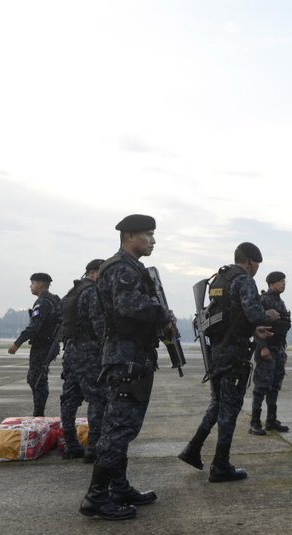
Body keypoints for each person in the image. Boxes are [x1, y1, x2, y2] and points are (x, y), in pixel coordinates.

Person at [79, 214, 175, 521]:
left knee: (122, 428)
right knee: (119, 429)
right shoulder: (121, 268)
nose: (153, 240)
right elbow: (128, 305)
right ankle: (95, 497)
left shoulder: (129, 267)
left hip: (131, 355)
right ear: (130, 236)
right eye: (148, 234)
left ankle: (118, 488)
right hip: (127, 357)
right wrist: (162, 313)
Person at [178, 243, 278, 482]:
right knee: (229, 408)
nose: (255, 271)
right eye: (256, 266)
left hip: (218, 350)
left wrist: (254, 330)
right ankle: (220, 464)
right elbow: (253, 313)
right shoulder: (243, 280)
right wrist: (268, 317)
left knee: (218, 402)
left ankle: (193, 448)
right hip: (233, 352)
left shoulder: (219, 279)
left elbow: (231, 316)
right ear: (250, 262)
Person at [59, 259, 108, 463]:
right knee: (98, 397)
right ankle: (94, 448)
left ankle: (71, 444)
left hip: (71, 349)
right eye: (102, 274)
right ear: (93, 272)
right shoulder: (91, 292)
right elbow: (99, 325)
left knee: (70, 397)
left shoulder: (72, 293)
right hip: (88, 351)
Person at [9, 273, 61, 417]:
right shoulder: (54, 300)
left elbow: (34, 327)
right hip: (50, 344)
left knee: (37, 379)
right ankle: (39, 412)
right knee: (38, 378)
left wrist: (17, 343)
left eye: (32, 283)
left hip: (43, 346)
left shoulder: (43, 302)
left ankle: (39, 414)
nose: (30, 286)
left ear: (40, 285)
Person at [249, 271, 291, 435]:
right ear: (271, 283)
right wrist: (262, 347)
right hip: (267, 347)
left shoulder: (279, 301)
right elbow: (258, 324)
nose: (283, 284)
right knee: (261, 387)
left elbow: (281, 327)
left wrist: (282, 350)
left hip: (277, 348)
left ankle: (271, 420)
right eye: (280, 281)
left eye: (284, 281)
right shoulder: (265, 300)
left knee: (274, 386)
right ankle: (254, 423)